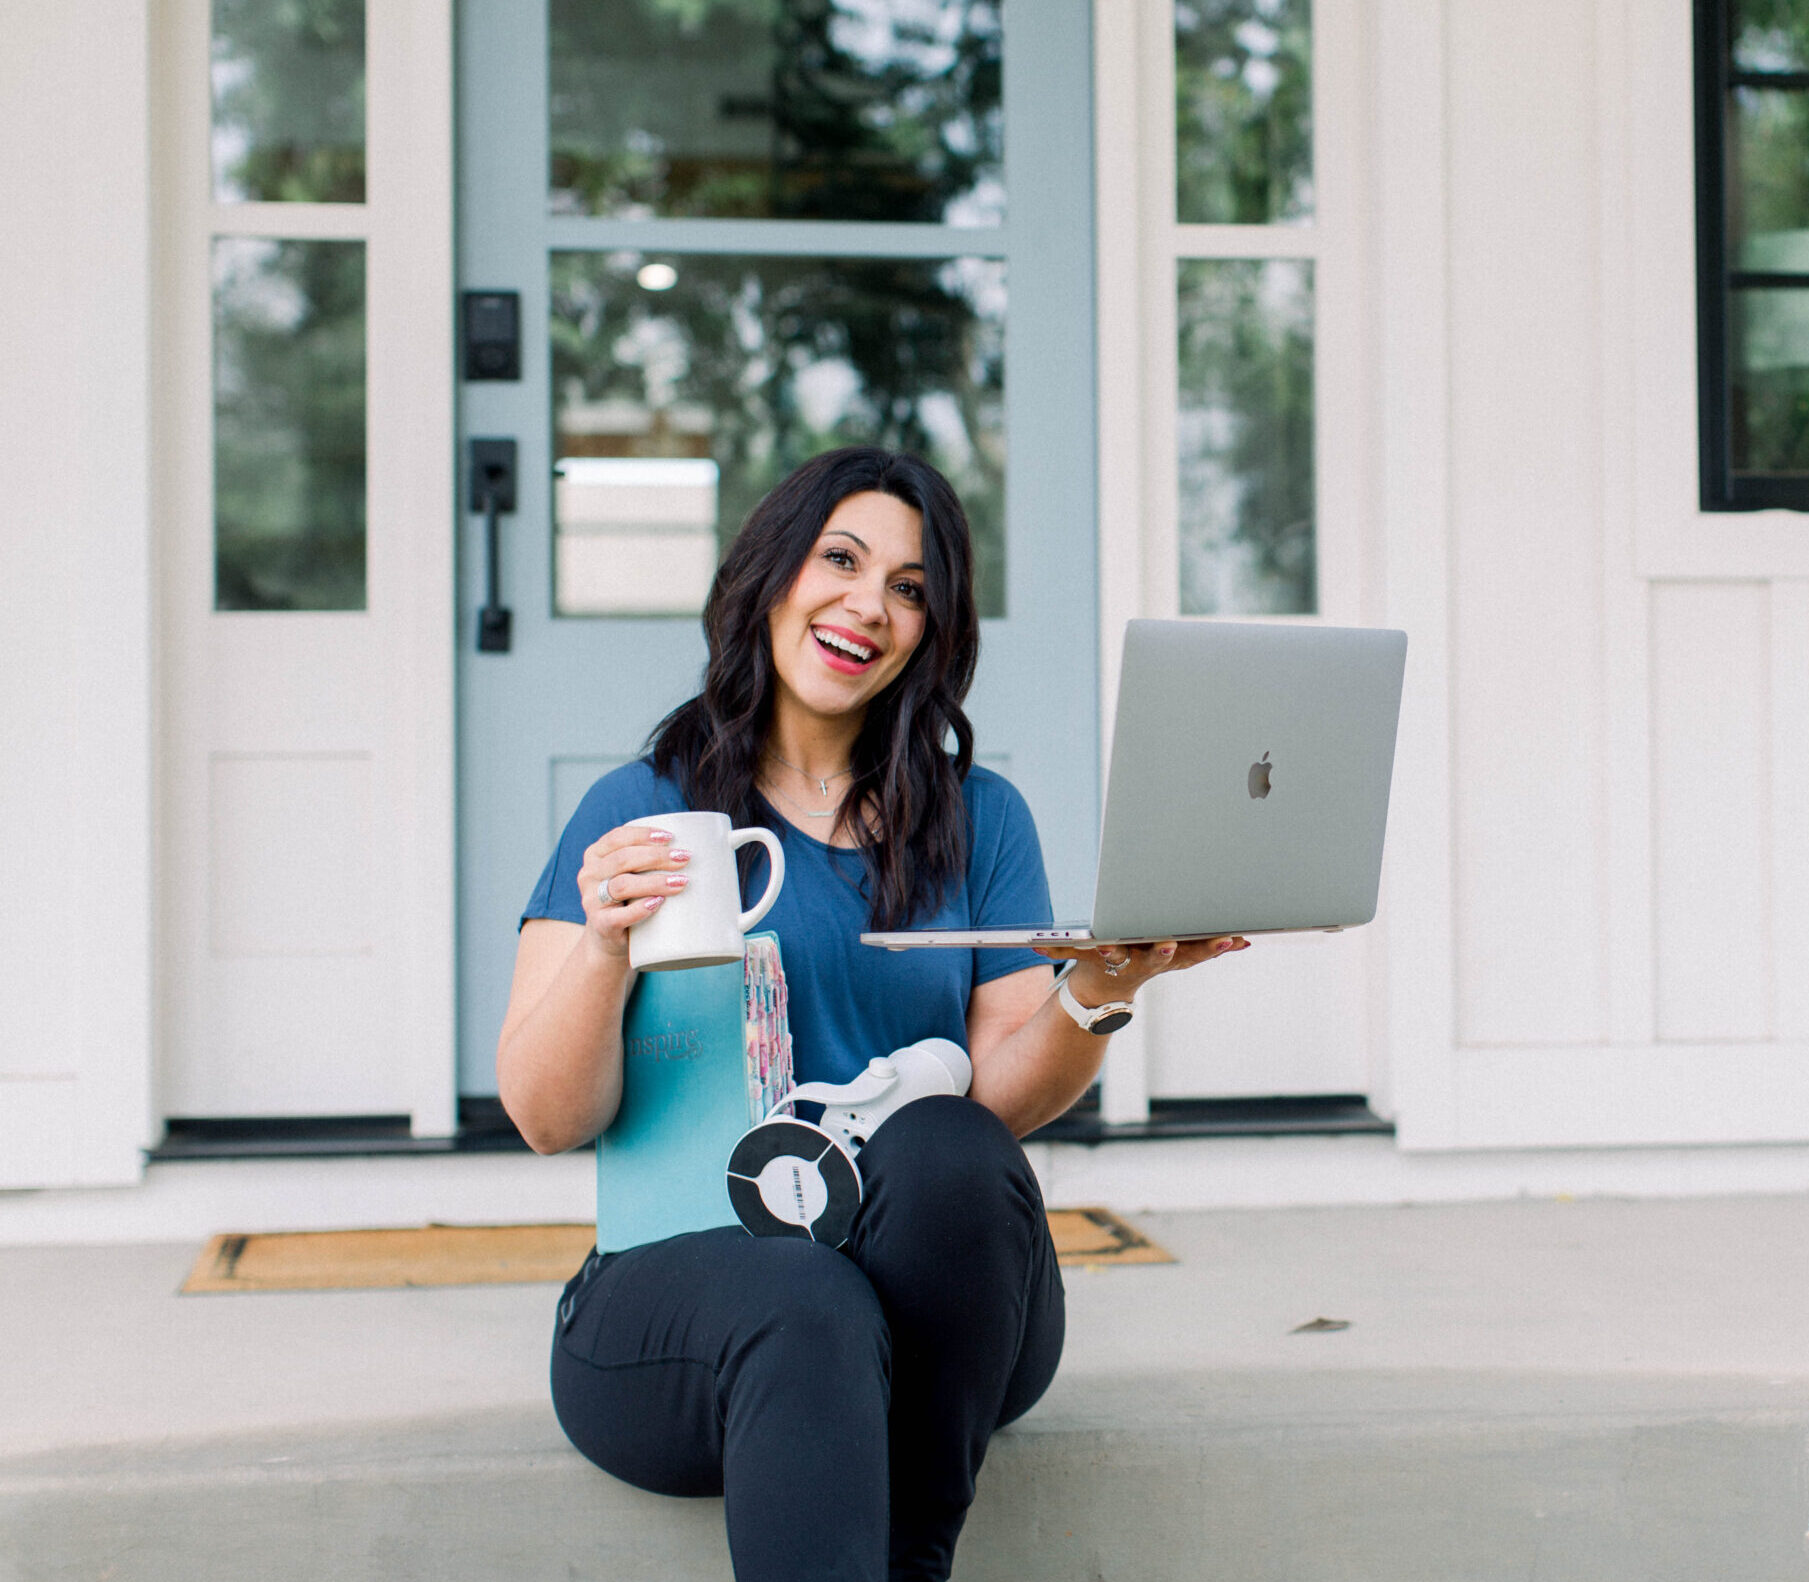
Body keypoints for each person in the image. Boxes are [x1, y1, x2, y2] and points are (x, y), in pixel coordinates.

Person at [497, 446, 1249, 1582]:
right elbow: (548, 1116)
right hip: (689, 1307)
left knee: (949, 1140)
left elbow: (1000, 1098)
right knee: (805, 1298)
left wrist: (1101, 987)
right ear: (771, 573)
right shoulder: (644, 807)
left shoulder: (979, 820)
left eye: (910, 588)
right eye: (840, 559)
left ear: (933, 633)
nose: (871, 605)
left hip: (931, 1314)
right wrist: (606, 945)